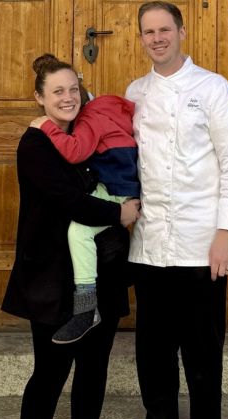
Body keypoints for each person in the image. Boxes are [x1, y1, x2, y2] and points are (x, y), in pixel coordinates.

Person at [124, 2, 228, 419]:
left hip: (203, 246)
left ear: (181, 31)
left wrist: (226, 234)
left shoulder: (213, 87)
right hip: (150, 246)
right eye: (147, 32)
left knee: (202, 358)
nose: (156, 38)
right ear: (141, 38)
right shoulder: (135, 93)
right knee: (153, 360)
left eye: (164, 29)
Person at [1, 53, 141, 419]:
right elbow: (70, 201)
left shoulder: (90, 132)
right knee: (50, 371)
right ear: (40, 98)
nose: (67, 98)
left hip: (104, 270)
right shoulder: (36, 143)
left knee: (94, 370)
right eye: (57, 91)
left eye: (72, 89)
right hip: (53, 279)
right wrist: (119, 214)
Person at [31, 93, 140, 344]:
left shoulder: (92, 119)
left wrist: (46, 126)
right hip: (121, 186)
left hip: (115, 189)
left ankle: (86, 307)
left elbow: (75, 151)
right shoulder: (114, 114)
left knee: (79, 232)